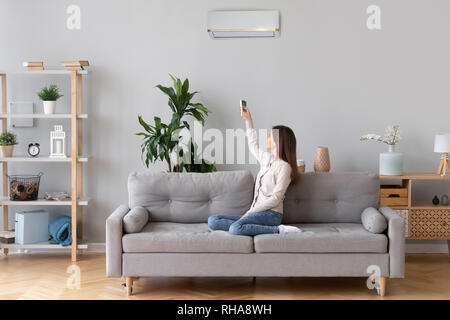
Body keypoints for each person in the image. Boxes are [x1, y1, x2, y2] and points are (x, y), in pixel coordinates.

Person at [208, 104, 302, 235]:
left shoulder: (284, 167)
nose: (268, 138)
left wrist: (250, 212)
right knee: (213, 220)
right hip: (255, 212)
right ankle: (245, 226)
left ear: (279, 140)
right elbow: (253, 144)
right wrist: (248, 119)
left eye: (270, 136)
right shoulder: (266, 159)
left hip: (271, 214)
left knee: (235, 229)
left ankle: (279, 230)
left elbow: (276, 198)